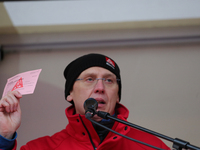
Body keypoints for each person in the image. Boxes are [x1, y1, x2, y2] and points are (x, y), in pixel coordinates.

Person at [0, 53, 170, 150]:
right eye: (89, 79)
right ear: (70, 94)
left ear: (117, 96)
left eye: (109, 80)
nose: (100, 87)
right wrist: (4, 136)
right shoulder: (42, 148)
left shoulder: (151, 145)